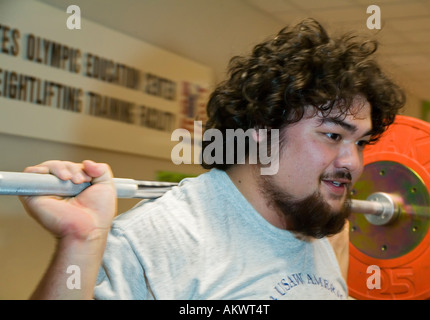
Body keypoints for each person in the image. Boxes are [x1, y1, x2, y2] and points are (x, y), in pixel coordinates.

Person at [20, 18, 405, 300]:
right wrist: (80, 239)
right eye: (334, 136)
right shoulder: (157, 239)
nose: (353, 162)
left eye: (361, 143)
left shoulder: (318, 227)